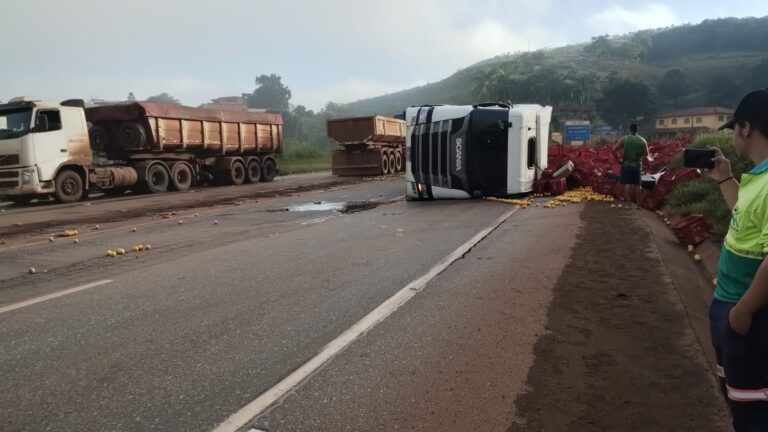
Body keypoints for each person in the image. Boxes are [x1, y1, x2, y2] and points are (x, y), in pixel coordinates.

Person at [709, 88, 768, 431]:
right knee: (737, 397)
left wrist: (743, 312)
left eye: (734, 129)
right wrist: (725, 179)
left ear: (746, 128)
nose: (733, 136)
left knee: (752, 412)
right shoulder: (757, 176)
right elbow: (742, 221)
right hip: (729, 307)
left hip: (747, 316)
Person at [612, 123, 649, 209]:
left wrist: (618, 160)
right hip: (637, 165)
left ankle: (629, 205)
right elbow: (646, 154)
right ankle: (638, 206)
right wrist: (638, 154)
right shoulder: (642, 140)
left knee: (628, 184)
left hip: (626, 164)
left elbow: (613, 150)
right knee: (637, 185)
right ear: (637, 130)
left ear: (629, 130)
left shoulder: (624, 139)